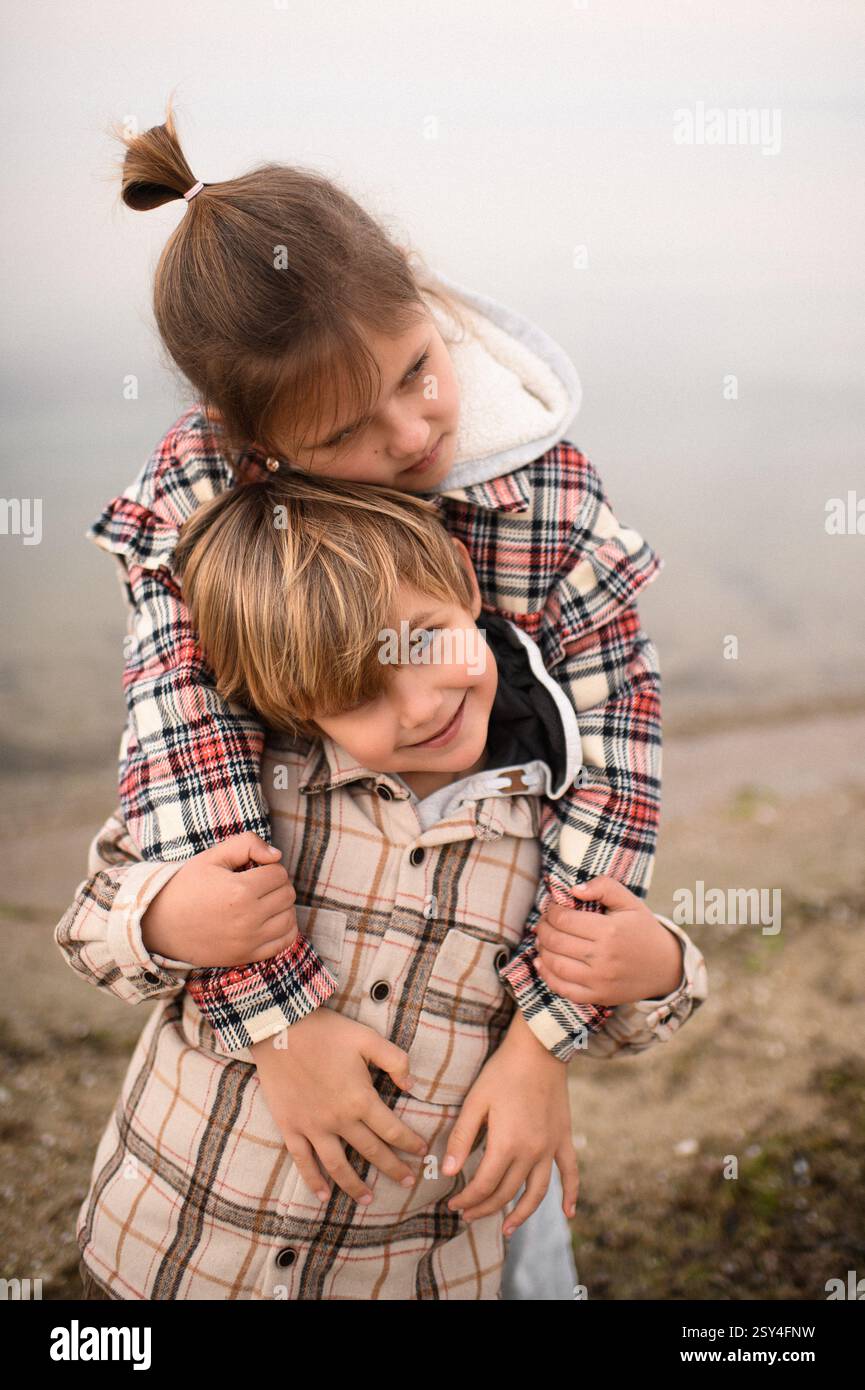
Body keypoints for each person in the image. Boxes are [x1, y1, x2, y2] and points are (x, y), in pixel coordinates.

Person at [82, 97, 676, 1295]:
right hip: (265, 1055)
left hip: (488, 1003)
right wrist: (279, 1022)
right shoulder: (202, 503)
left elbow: (615, 768)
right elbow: (182, 767)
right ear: (257, 451)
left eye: (418, 370)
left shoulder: (549, 502)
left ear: (423, 293)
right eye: (348, 433)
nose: (413, 432)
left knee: (513, 1242)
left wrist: (545, 1041)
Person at [58, 474, 707, 1299]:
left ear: (466, 590)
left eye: (428, 638)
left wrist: (651, 966)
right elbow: (88, 927)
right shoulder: (254, 803)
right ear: (295, 705)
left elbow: (615, 1022)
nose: (418, 704)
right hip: (168, 1254)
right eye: (359, 693)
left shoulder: (549, 830)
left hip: (407, 1272)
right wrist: (170, 920)